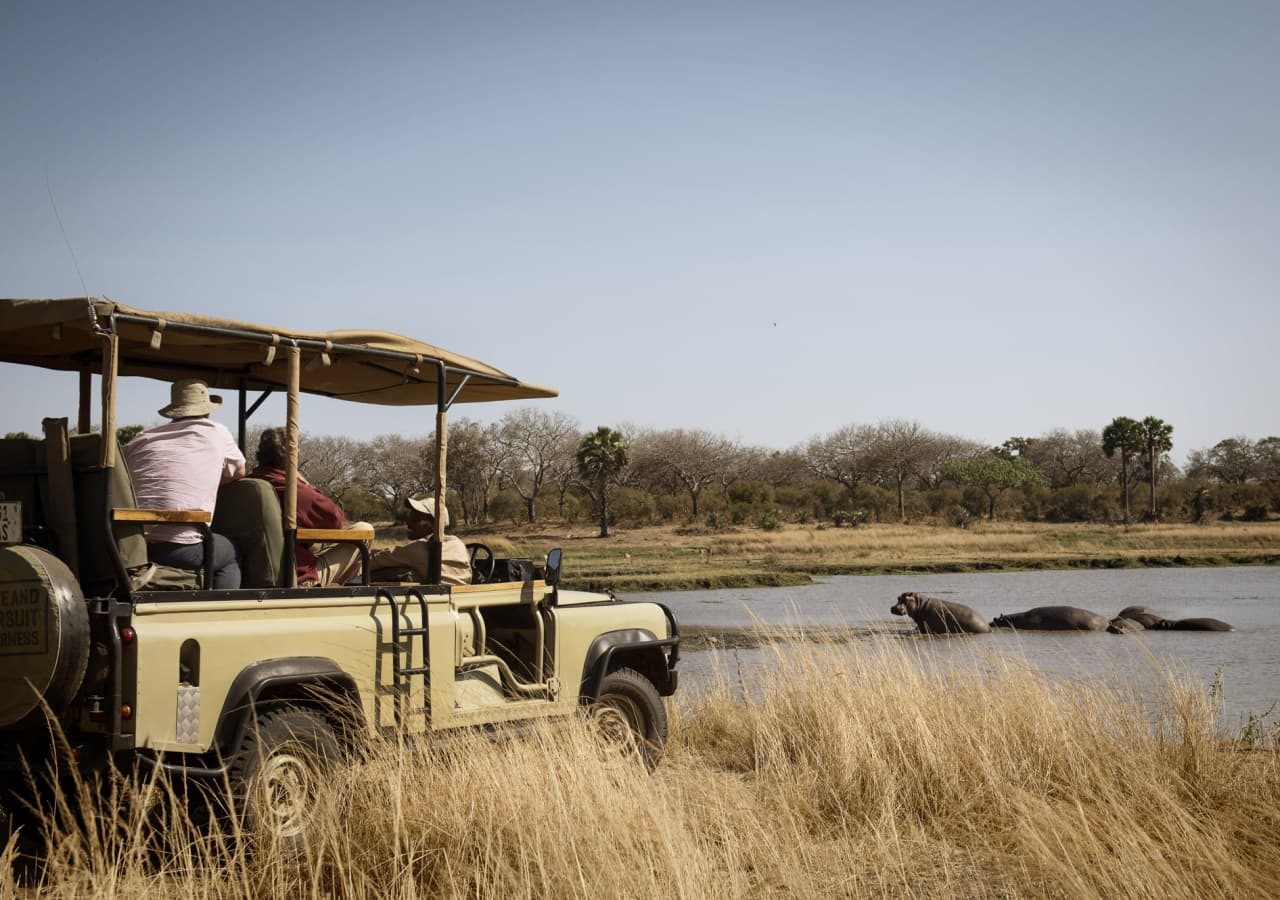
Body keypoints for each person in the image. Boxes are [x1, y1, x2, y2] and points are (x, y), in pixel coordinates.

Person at [123, 379, 245, 589]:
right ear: (207, 411)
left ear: (174, 412)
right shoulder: (217, 432)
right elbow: (239, 471)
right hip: (182, 549)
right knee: (231, 552)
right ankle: (219, 611)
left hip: (134, 546)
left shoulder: (141, 439)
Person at [250, 428, 369, 586]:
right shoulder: (291, 488)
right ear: (292, 456)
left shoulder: (250, 483)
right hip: (295, 574)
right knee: (364, 529)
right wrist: (305, 484)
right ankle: (344, 588)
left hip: (253, 571)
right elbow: (336, 520)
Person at [369, 496, 471, 586]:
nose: (408, 522)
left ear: (434, 524)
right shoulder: (458, 544)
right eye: (410, 517)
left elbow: (374, 561)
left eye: (416, 519)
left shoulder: (419, 549)